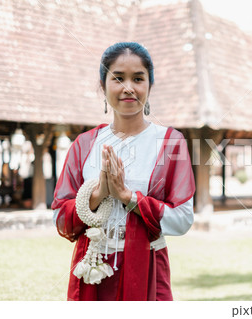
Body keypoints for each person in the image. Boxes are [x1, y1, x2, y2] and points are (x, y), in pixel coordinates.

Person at [51, 42, 195, 301]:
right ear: (102, 84)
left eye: (138, 78)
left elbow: (183, 219)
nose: (128, 87)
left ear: (150, 85)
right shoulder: (84, 145)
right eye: (118, 78)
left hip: (147, 268)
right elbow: (60, 217)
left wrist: (128, 197)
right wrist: (97, 195)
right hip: (91, 270)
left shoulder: (170, 143)